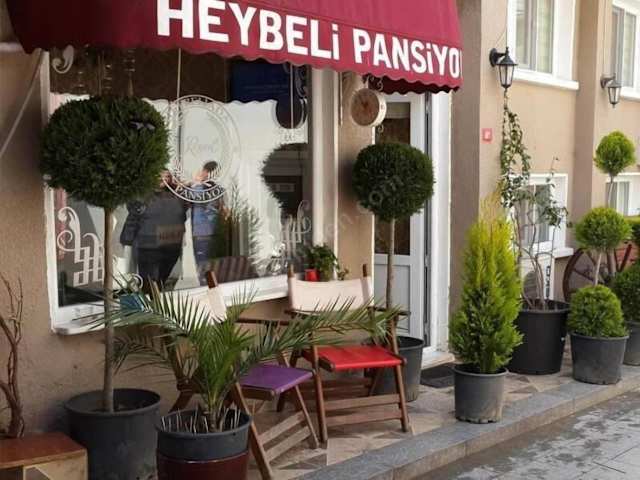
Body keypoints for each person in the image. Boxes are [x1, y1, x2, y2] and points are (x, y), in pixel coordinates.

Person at [120, 171, 187, 290]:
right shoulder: (143, 195)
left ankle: (154, 298)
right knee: (149, 284)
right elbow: (134, 213)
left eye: (166, 176)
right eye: (159, 175)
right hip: (149, 246)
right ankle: (151, 298)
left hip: (170, 246)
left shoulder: (177, 196)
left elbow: (182, 215)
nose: (162, 178)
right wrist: (127, 240)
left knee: (159, 283)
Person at [191, 161, 225, 285]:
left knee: (204, 268)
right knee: (211, 268)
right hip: (210, 233)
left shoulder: (198, 189)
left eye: (204, 171)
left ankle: (206, 287)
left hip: (204, 234)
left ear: (206, 172)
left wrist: (196, 182)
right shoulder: (218, 190)